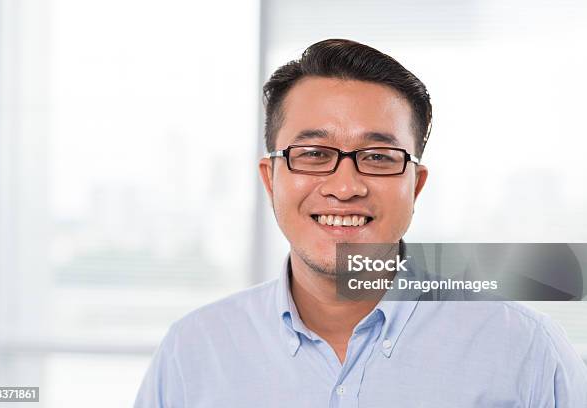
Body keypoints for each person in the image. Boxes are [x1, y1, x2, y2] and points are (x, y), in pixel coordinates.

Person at [135, 39, 587, 407]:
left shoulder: (525, 350)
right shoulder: (193, 351)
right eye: (313, 154)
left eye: (378, 157)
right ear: (271, 179)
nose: (345, 185)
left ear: (416, 185)